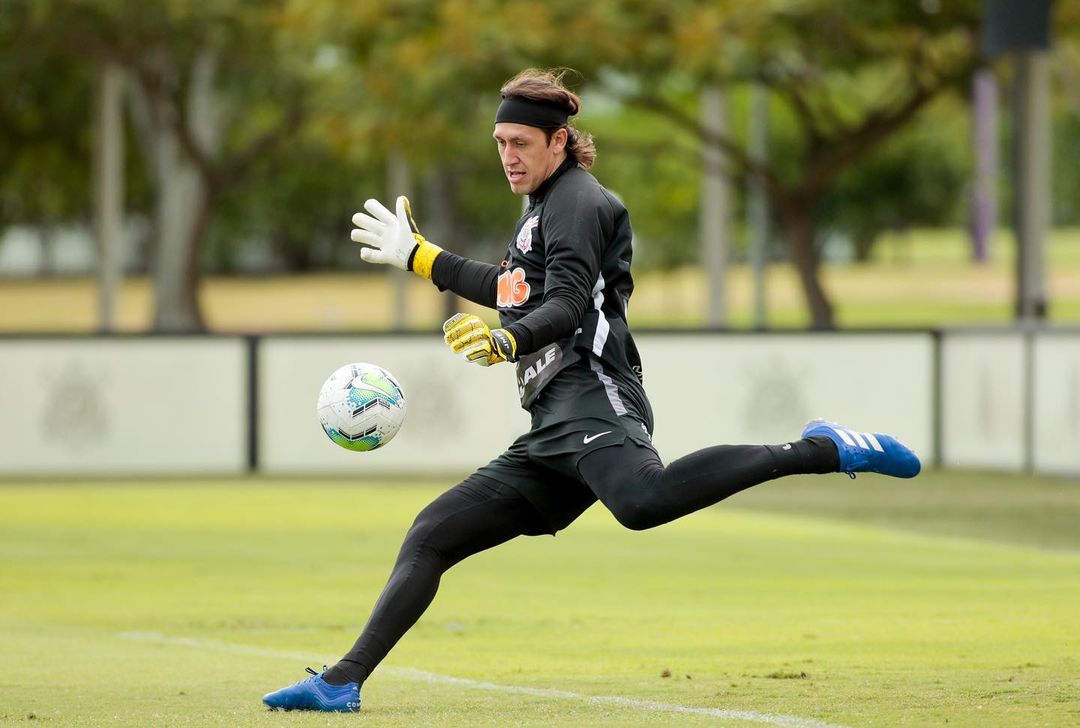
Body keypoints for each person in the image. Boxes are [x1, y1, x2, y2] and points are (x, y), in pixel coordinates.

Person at [262, 68, 920, 713]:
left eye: (521, 144)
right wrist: (423, 257)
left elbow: (569, 305)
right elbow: (515, 288)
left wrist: (505, 342)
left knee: (640, 501)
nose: (508, 156)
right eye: (500, 144)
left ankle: (821, 448)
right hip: (554, 421)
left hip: (592, 389)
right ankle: (342, 682)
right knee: (433, 534)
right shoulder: (542, 210)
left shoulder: (578, 200)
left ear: (558, 142)